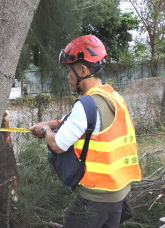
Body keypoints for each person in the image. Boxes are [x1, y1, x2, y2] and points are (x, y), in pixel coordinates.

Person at [29, 35, 142, 228]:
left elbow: (57, 144)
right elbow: (74, 121)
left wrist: (47, 131)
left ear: (83, 70)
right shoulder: (112, 96)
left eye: (69, 70)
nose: (68, 76)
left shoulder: (87, 104)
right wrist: (49, 124)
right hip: (118, 191)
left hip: (97, 196)